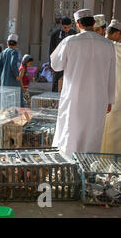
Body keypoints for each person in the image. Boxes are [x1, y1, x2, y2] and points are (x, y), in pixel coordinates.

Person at [51, 9, 116, 156]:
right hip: (98, 98)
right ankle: (88, 168)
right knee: (93, 133)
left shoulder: (69, 42)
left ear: (78, 24)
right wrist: (110, 99)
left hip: (74, 96)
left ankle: (68, 166)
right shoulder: (107, 44)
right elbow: (112, 74)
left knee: (71, 130)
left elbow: (56, 65)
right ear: (93, 23)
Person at [101, 19, 121, 154]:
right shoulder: (117, 48)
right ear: (117, 33)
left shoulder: (99, 45)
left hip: (100, 94)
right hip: (117, 96)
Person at [49, 16, 77, 92]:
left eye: (69, 27)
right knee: (56, 81)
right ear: (61, 25)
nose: (67, 29)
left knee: (69, 82)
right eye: (65, 27)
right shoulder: (55, 35)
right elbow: (51, 50)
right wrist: (51, 65)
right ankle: (54, 101)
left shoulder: (74, 34)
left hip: (70, 62)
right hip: (58, 61)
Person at [0, 34, 24, 104]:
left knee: (6, 101)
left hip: (4, 80)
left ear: (7, 43)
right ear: (16, 44)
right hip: (13, 80)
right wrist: (17, 75)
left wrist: (2, 77)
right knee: (16, 99)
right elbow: (13, 64)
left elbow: (0, 66)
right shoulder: (14, 52)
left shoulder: (3, 52)